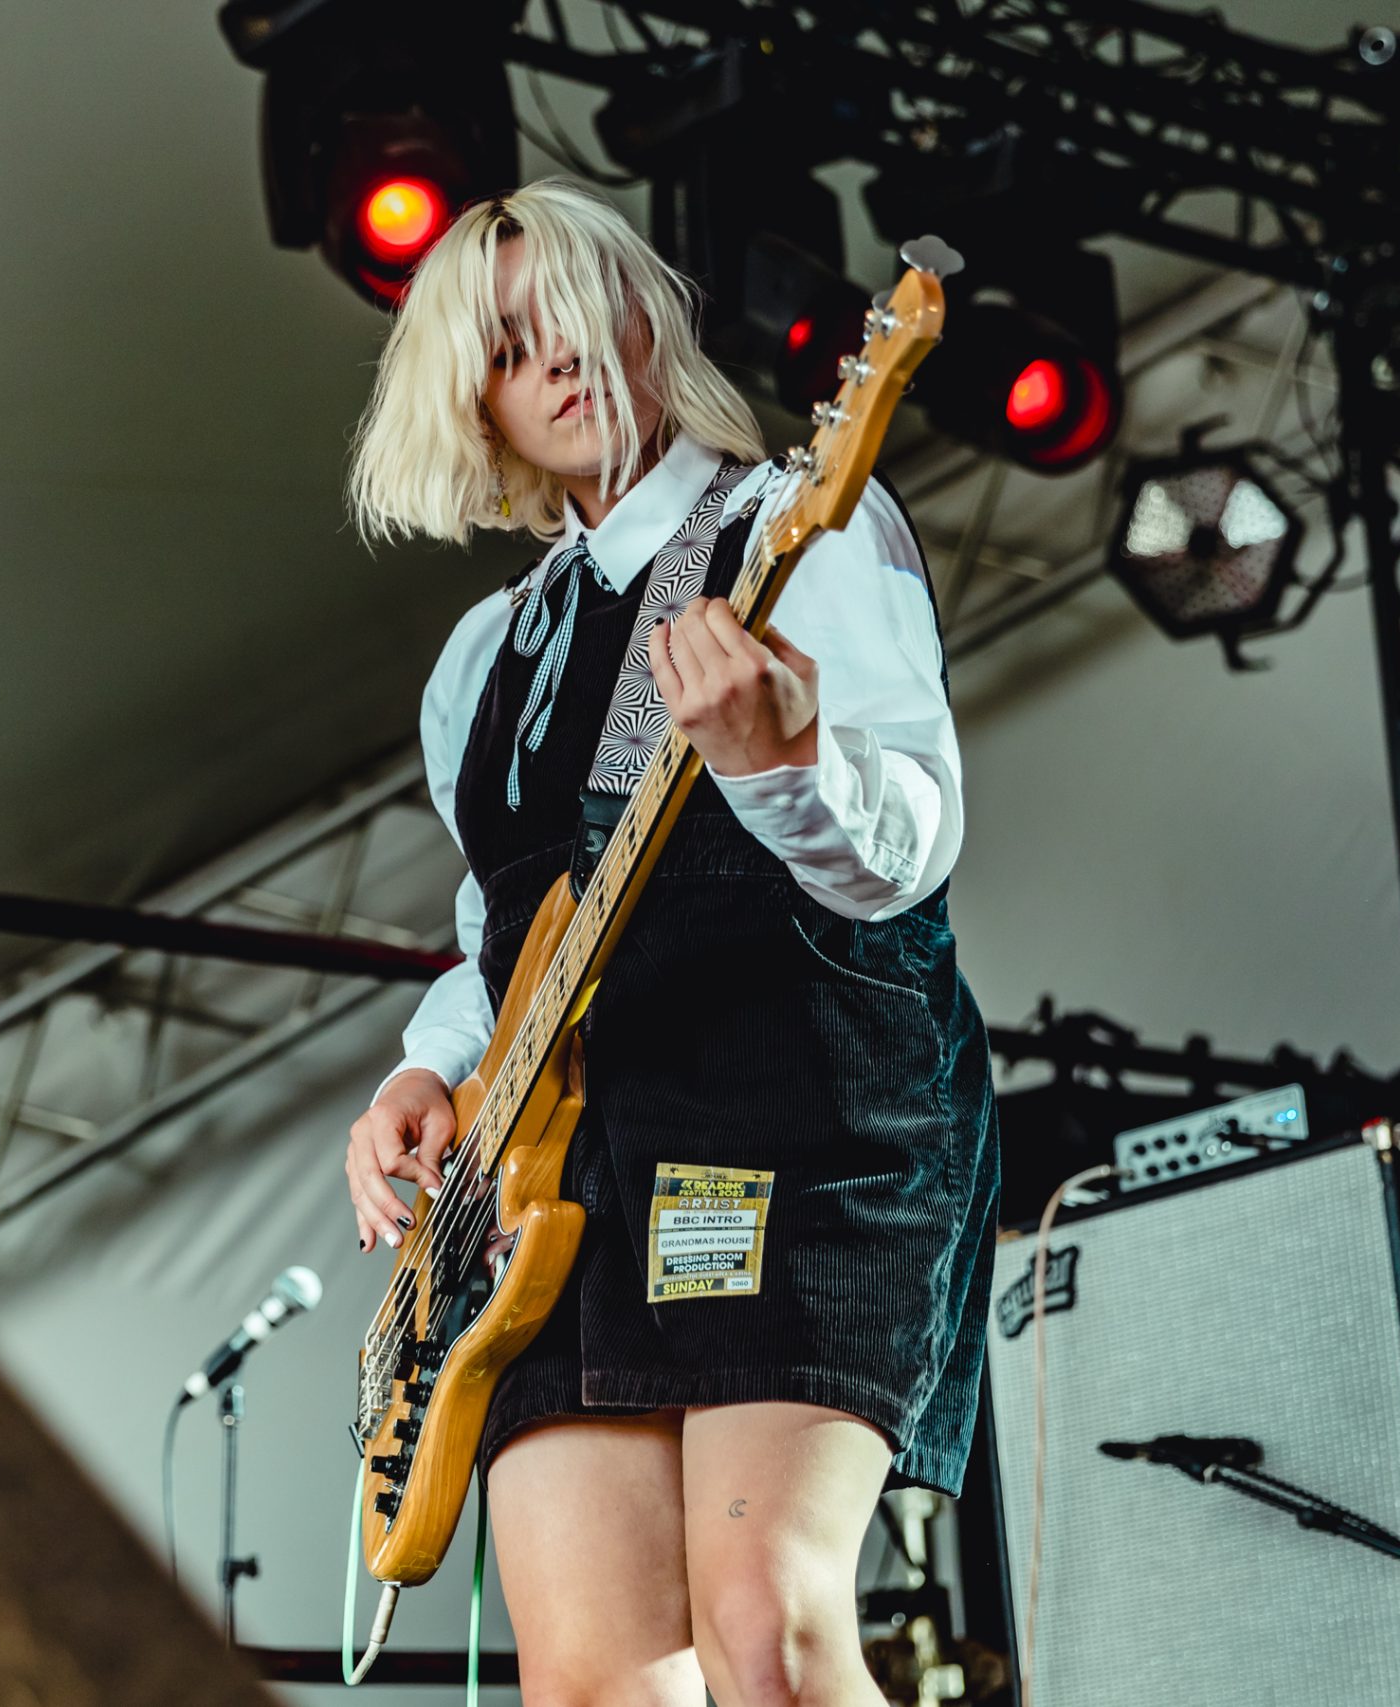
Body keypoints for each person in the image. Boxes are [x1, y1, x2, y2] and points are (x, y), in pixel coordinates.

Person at [339, 177, 998, 1707]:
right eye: (511, 346)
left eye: (578, 310)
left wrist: (782, 759)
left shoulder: (798, 529)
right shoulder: (482, 658)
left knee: (770, 1630)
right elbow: (506, 919)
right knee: (595, 1682)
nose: (559, 357)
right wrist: (428, 1068)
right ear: (476, 401)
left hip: (798, 1120)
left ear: (646, 311)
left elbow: (910, 847)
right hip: (560, 1184)